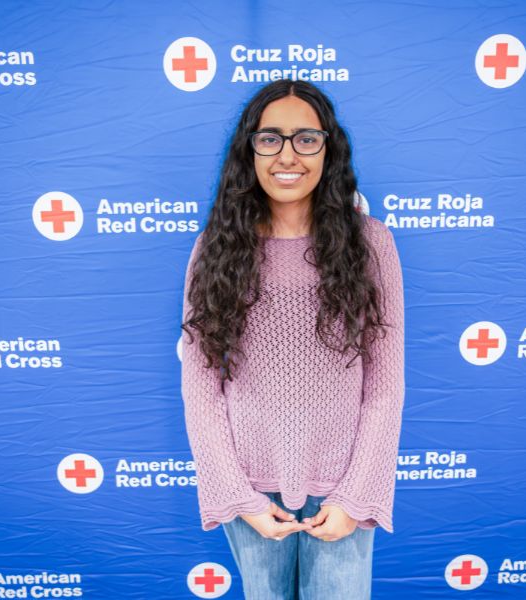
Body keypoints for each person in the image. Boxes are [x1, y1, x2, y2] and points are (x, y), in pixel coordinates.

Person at [180, 79, 405, 599]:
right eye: (270, 138)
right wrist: (239, 496)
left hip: (342, 485)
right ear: (249, 149)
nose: (288, 155)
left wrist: (355, 495)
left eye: (306, 138)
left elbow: (385, 388)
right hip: (253, 488)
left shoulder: (371, 245)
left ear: (329, 149)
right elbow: (201, 390)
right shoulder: (215, 249)